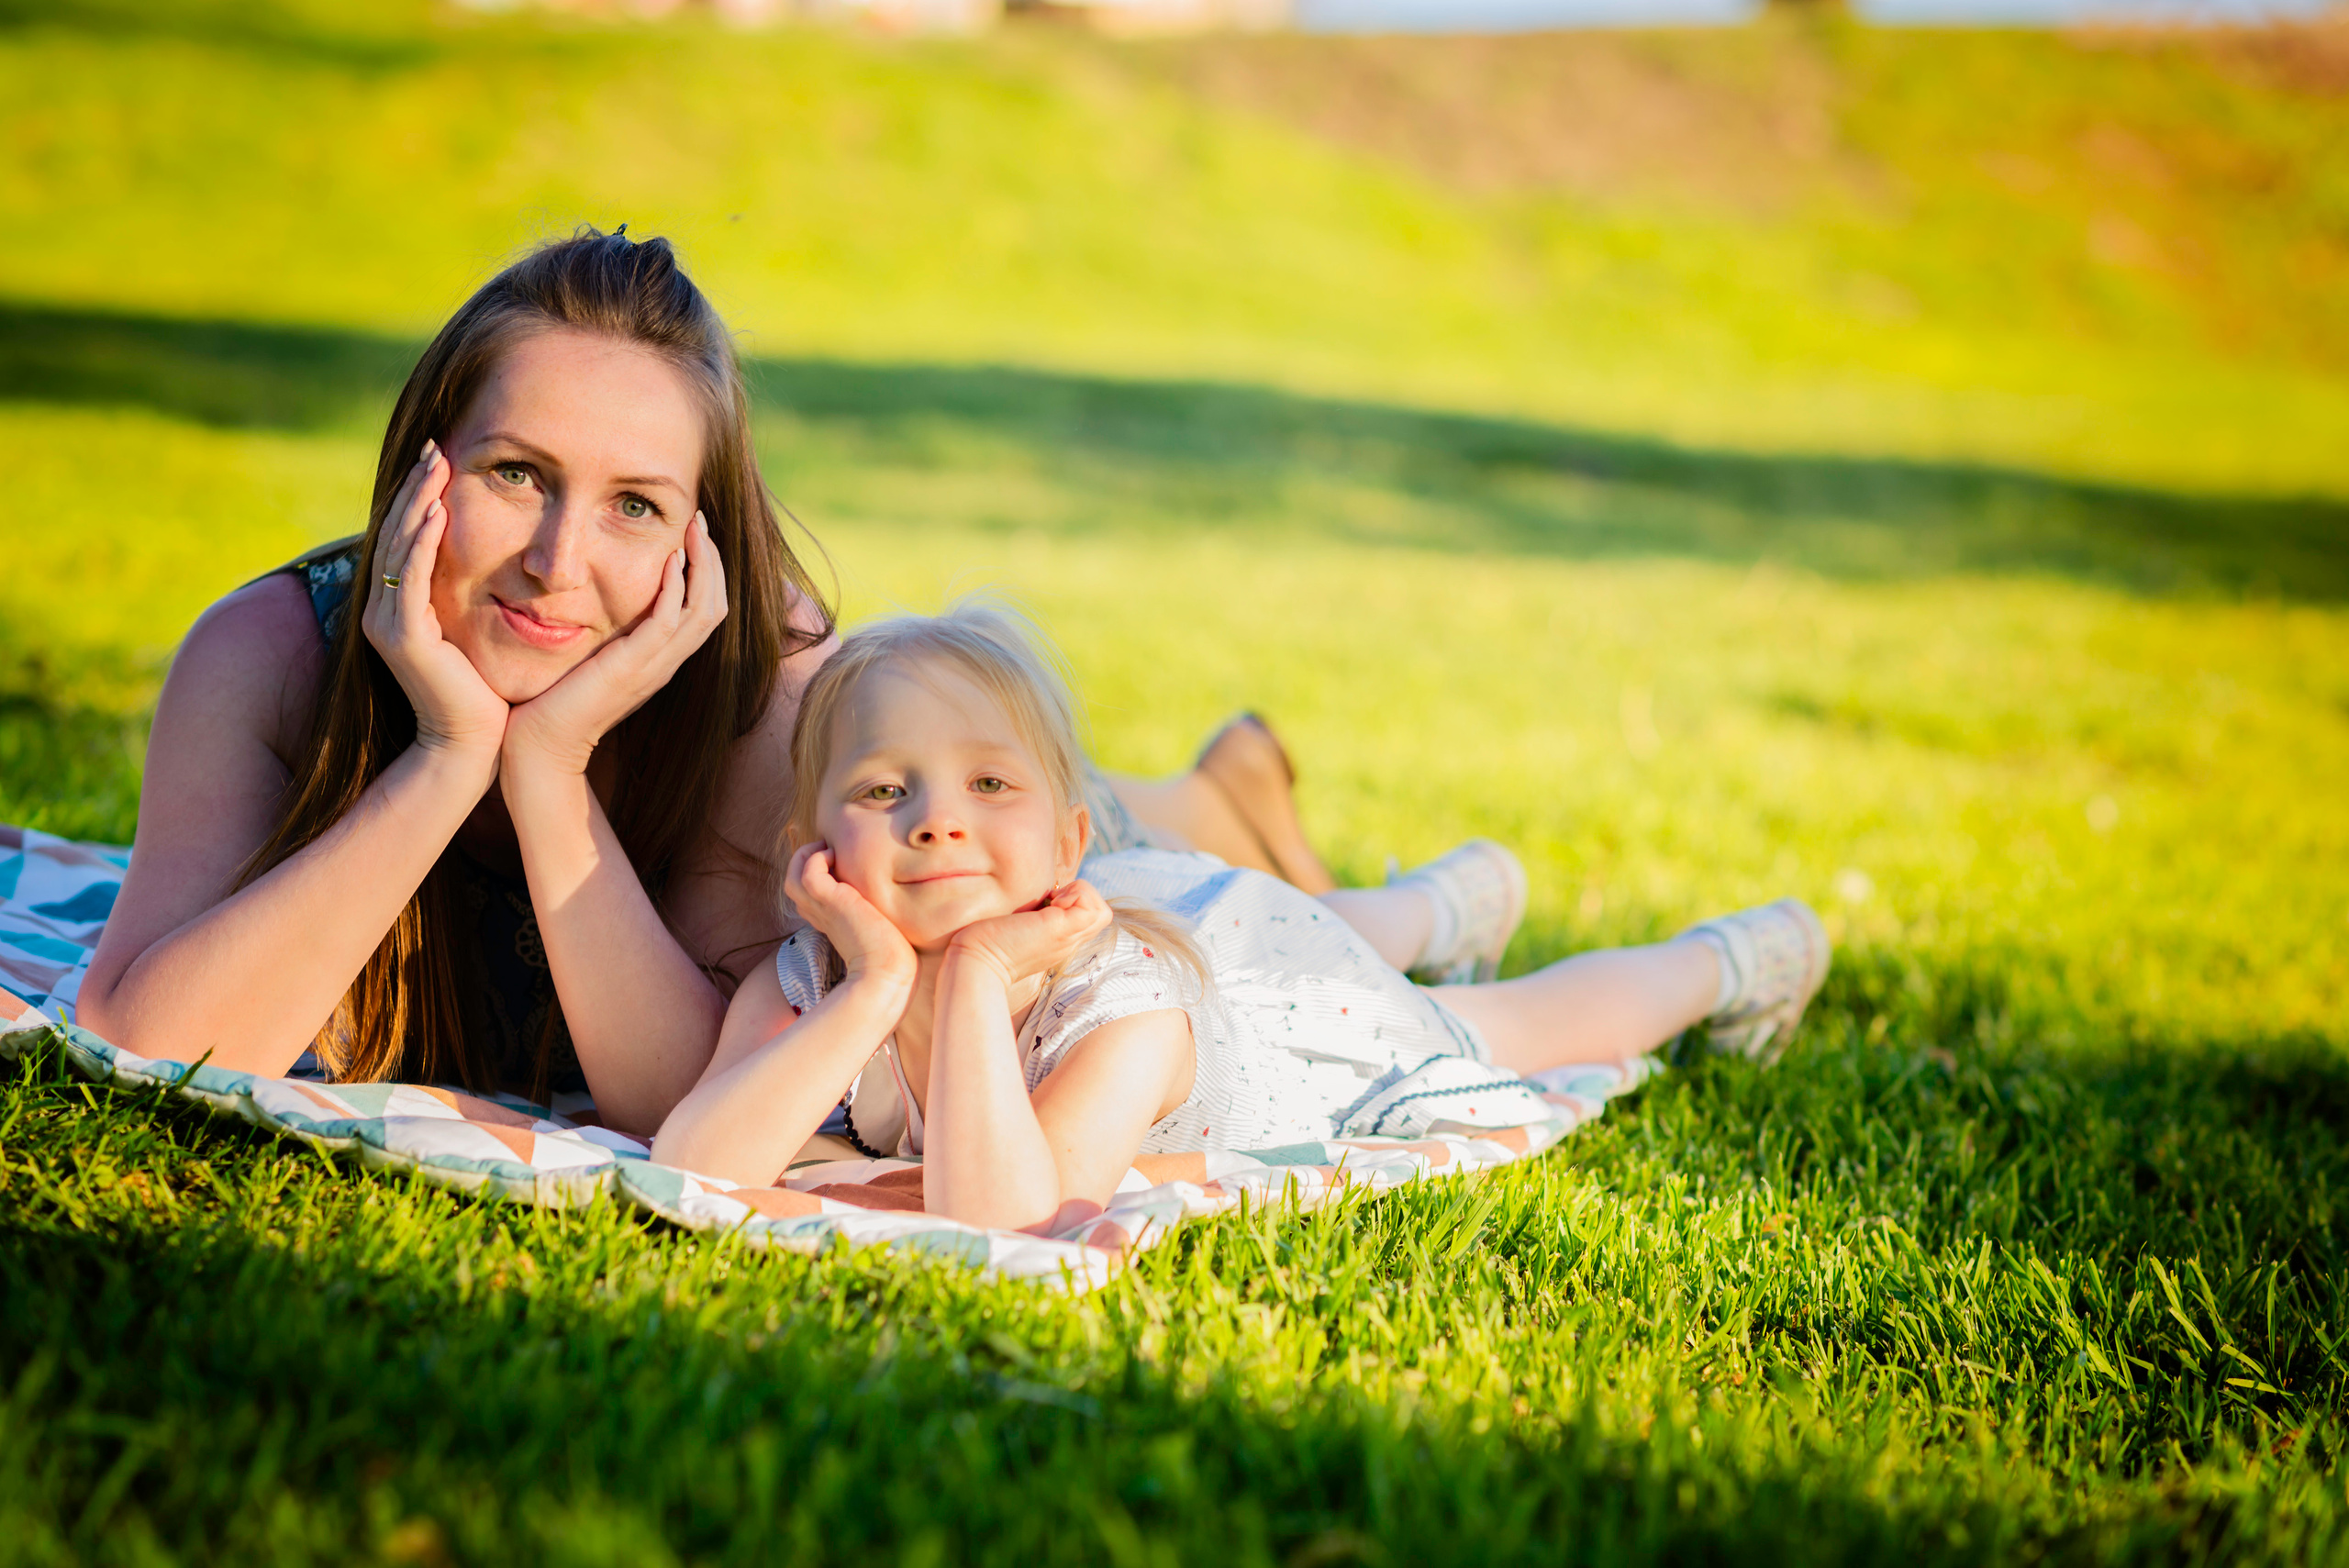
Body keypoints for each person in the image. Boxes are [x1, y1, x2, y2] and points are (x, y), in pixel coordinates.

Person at [74, 228, 1508, 1135]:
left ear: (702, 538)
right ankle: (1224, 798)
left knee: (1245, 935)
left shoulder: (770, 699)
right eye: (519, 475)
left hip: (983, 856)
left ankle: (1365, 876)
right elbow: (150, 1039)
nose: (559, 565)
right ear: (422, 468)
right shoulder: (269, 655)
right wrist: (452, 753)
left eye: (636, 504)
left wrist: (549, 773)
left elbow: (684, 1088)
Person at [651, 605, 1831, 1231]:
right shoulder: (816, 980)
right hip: (1207, 922)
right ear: (817, 846)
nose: (936, 823)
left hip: (1266, 1005)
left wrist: (960, 981)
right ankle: (1444, 896)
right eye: (881, 789)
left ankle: (1725, 959)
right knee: (1337, 929)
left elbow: (1006, 1217)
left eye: (989, 785)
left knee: (1488, 1022)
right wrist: (872, 988)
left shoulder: (1124, 1017)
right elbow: (694, 1163)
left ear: (1071, 842)